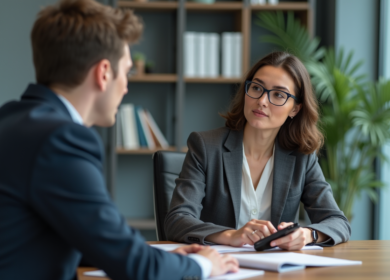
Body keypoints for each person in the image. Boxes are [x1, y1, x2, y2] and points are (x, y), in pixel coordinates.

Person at [0, 0, 239, 279]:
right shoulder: (61, 140)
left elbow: (88, 237)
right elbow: (134, 267)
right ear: (103, 73)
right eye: (126, 72)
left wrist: (159, 257)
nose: (126, 86)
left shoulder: (12, 119)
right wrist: (205, 265)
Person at [165, 51, 351, 250]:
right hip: (219, 268)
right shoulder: (205, 146)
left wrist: (307, 234)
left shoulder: (302, 158)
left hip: (276, 271)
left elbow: (337, 222)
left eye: (278, 94)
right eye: (256, 88)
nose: (262, 100)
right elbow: (177, 220)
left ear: (295, 109)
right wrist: (230, 235)